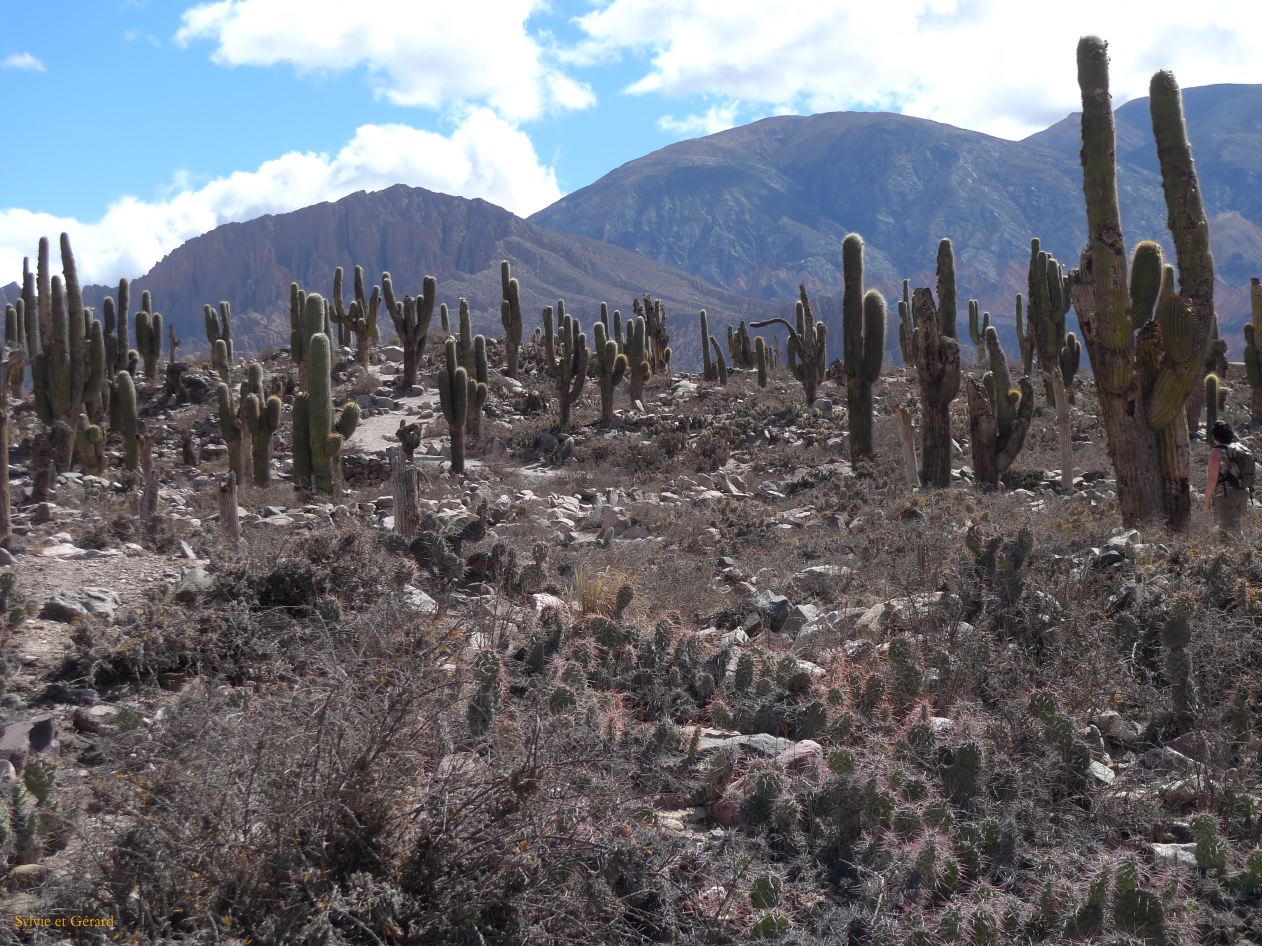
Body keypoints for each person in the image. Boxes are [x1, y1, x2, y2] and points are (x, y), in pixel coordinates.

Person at [1205, 420, 1249, 534]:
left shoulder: (1216, 452)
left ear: (1215, 436)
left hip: (1225, 495)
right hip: (1243, 493)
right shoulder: (1238, 449)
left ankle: (1241, 546)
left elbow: (1212, 479)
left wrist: (1207, 499)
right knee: (1228, 531)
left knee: (1231, 534)